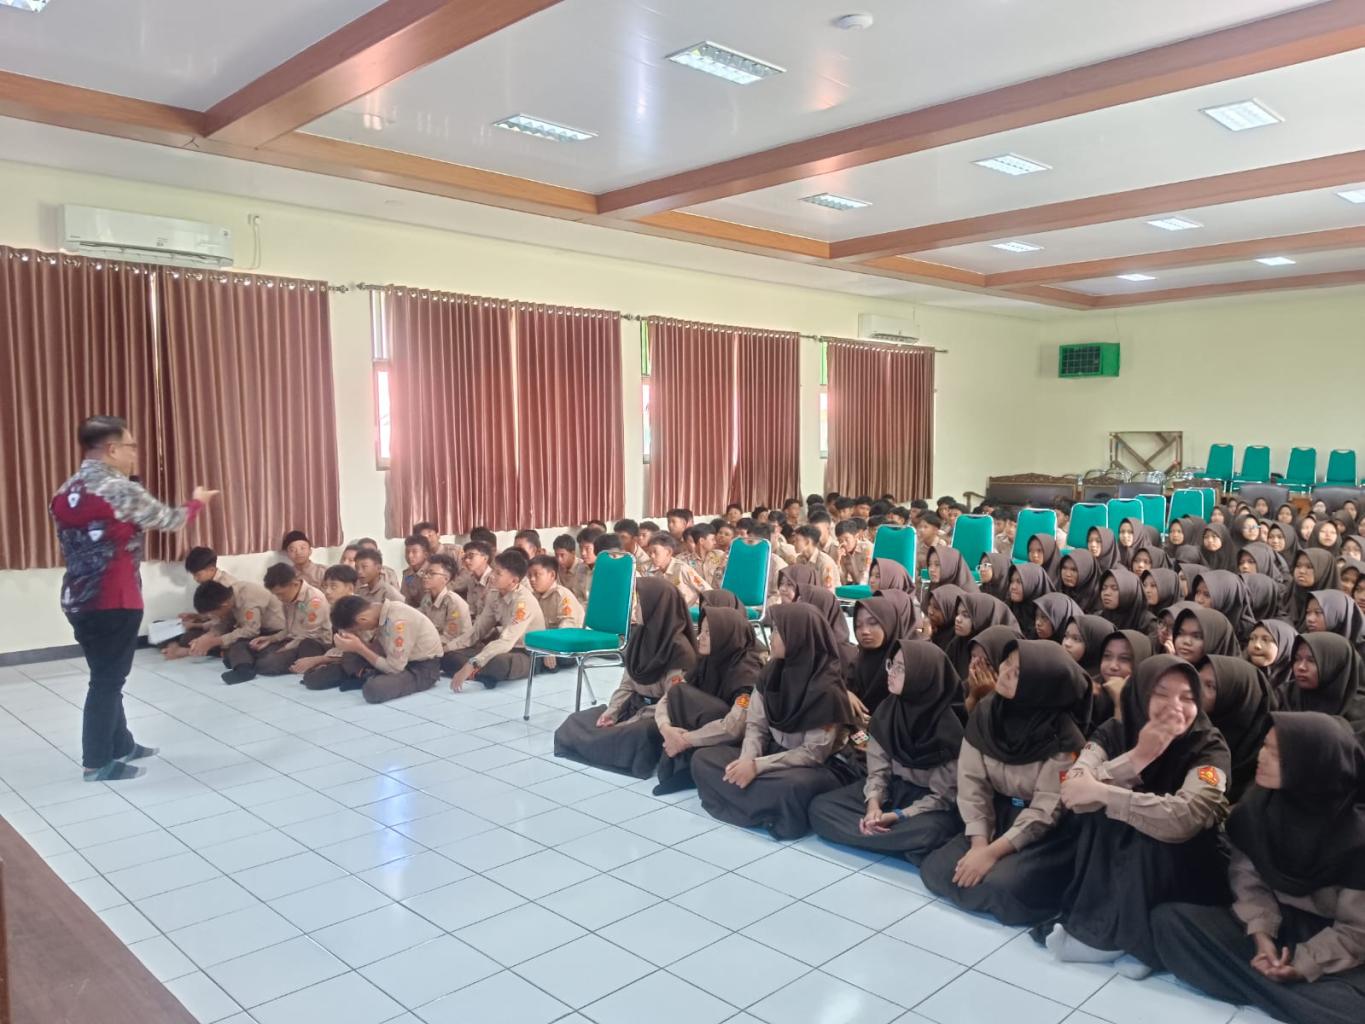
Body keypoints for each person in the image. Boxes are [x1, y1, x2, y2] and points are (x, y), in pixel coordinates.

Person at [1152, 712, 1365, 1024]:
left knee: (1352, 1008)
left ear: (1312, 764)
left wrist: (1303, 964)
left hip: (1334, 944)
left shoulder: (1356, 838)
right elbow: (1248, 881)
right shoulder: (1256, 808)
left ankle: (1260, 986)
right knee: (1170, 922)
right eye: (1264, 746)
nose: (1261, 757)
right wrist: (1262, 936)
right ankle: (1286, 996)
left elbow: (1357, 931)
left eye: (1277, 754)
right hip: (1274, 922)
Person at [1041, 655, 1232, 976]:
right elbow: (1072, 793)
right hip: (1122, 846)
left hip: (1185, 858)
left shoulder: (1209, 746)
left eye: (1188, 698)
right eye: (1161, 694)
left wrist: (1105, 792)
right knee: (1098, 820)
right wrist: (1138, 757)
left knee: (1151, 833)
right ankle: (1104, 930)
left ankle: (1135, 943)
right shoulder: (1116, 730)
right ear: (1140, 694)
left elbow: (1185, 817)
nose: (1175, 707)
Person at [51, 415, 218, 780]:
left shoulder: (65, 490)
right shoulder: (118, 489)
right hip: (113, 599)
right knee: (107, 681)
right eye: (131, 447)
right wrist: (197, 503)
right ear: (111, 449)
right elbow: (171, 520)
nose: (134, 454)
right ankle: (96, 762)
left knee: (106, 675)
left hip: (77, 598)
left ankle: (121, 744)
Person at [919, 639, 1091, 926]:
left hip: (1044, 829)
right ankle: (983, 884)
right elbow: (972, 783)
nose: (1006, 672)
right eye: (1006, 662)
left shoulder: (1064, 738)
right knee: (935, 870)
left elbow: (1046, 809)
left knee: (1004, 887)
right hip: (997, 815)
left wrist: (992, 853)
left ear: (1041, 684)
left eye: (1019, 671)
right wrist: (978, 844)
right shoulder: (986, 713)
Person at [692, 603, 858, 839]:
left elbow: (813, 753)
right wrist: (747, 759)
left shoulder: (826, 689)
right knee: (703, 759)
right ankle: (760, 806)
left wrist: (757, 766)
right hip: (775, 752)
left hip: (818, 766)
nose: (771, 636)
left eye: (779, 631)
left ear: (798, 636)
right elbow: (755, 726)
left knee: (789, 787)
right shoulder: (770, 673)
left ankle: (746, 801)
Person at [809, 641, 964, 862]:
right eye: (892, 665)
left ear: (923, 676)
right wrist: (873, 805)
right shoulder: (887, 713)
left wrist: (898, 816)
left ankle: (873, 836)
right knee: (821, 808)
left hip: (929, 803)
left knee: (931, 831)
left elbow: (943, 797)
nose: (891, 673)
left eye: (901, 668)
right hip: (893, 789)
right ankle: (893, 843)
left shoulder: (949, 730)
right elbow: (877, 773)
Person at [554, 576, 697, 777]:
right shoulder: (639, 638)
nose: (635, 609)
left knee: (638, 734)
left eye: (641, 604)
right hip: (633, 706)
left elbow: (672, 701)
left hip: (659, 717)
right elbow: (627, 685)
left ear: (657, 607)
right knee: (575, 721)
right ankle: (607, 743)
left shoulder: (679, 650)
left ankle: (604, 744)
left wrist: (635, 719)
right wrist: (611, 712)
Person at [654, 605, 764, 794]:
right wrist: (666, 728)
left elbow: (735, 726)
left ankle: (688, 766)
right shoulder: (705, 661)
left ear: (725, 635)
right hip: (703, 732)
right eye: (701, 631)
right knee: (679, 693)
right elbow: (669, 697)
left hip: (731, 740)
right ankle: (684, 764)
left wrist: (685, 740)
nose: (700, 637)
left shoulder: (747, 672)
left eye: (708, 633)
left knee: (682, 694)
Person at [306, 594, 443, 703]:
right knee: (337, 663)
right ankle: (365, 675)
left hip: (420, 669)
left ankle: (364, 676)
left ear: (362, 620)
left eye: (359, 629)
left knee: (373, 690)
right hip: (390, 659)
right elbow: (378, 649)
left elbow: (395, 668)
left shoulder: (397, 621)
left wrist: (360, 648)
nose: (361, 631)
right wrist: (354, 646)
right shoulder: (379, 613)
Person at [446, 549, 546, 691]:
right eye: (493, 571)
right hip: (504, 648)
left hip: (527, 653)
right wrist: (448, 648)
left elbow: (507, 641)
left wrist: (472, 663)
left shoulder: (524, 602)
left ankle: (477, 672)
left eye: (498, 573)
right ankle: (480, 674)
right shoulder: (494, 595)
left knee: (498, 663)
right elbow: (477, 631)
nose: (492, 576)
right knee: (450, 655)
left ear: (514, 581)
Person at [1198, 654, 1273, 802]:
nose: (1196, 690)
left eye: (1210, 686)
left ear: (1237, 696)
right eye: (1197, 680)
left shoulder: (1266, 756)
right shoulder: (1192, 730)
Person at [188, 577, 286, 684]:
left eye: (212, 613)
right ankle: (243, 665)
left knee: (266, 661)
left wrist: (215, 641)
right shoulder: (229, 597)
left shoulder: (248, 600)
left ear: (223, 605)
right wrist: (208, 637)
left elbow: (251, 631)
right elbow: (225, 622)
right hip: (260, 633)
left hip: (280, 634)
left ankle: (242, 665)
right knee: (236, 644)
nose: (211, 616)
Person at [250, 563, 332, 676]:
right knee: (256, 650)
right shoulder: (288, 598)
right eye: (276, 595)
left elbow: (309, 635)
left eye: (281, 594)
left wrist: (284, 648)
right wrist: (271, 639)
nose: (279, 598)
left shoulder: (314, 600)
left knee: (266, 664)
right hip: (293, 640)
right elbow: (289, 629)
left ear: (295, 584)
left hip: (312, 645)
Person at [1280, 632, 1365, 739]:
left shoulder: (1360, 712)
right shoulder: (1285, 694)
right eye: (1297, 659)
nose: (1301, 667)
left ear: (1336, 666)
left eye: (1312, 660)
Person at [416, 553, 474, 675]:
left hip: (456, 648)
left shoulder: (454, 602)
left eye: (431, 573)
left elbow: (450, 637)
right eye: (425, 572)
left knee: (449, 660)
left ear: (446, 579)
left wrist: (422, 645)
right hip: (436, 644)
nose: (425, 576)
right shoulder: (426, 599)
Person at [647, 532, 710, 609]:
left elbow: (707, 590)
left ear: (668, 552)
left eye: (655, 552)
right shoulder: (656, 575)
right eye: (650, 553)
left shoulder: (682, 569)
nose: (652, 556)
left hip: (690, 612)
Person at [400, 534, 431, 605]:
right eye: (407, 552)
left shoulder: (432, 572)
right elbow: (404, 599)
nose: (409, 556)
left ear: (425, 555)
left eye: (414, 552)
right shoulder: (407, 573)